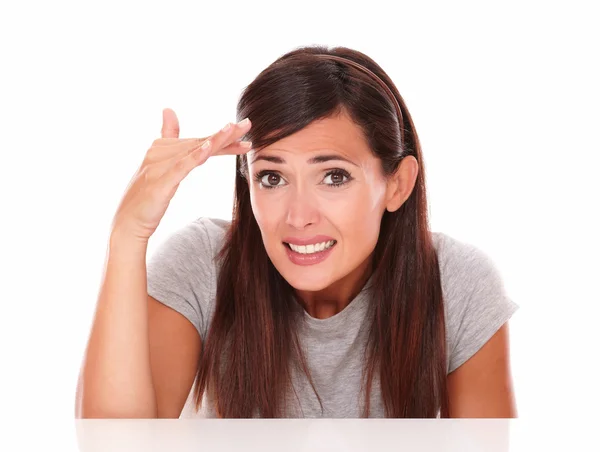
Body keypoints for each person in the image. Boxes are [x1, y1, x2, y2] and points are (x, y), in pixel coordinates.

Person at [75, 45, 519, 419]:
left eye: (334, 177)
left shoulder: (457, 283)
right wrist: (127, 234)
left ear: (397, 184)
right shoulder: (203, 264)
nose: (298, 217)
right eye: (272, 178)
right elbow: (112, 443)